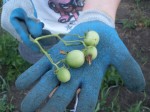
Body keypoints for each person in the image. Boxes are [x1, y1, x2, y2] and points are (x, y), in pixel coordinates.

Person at [1, 0, 146, 112]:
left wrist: (100, 13)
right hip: (37, 24)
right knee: (43, 63)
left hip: (84, 23)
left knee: (69, 76)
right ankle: (57, 92)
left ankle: (73, 96)